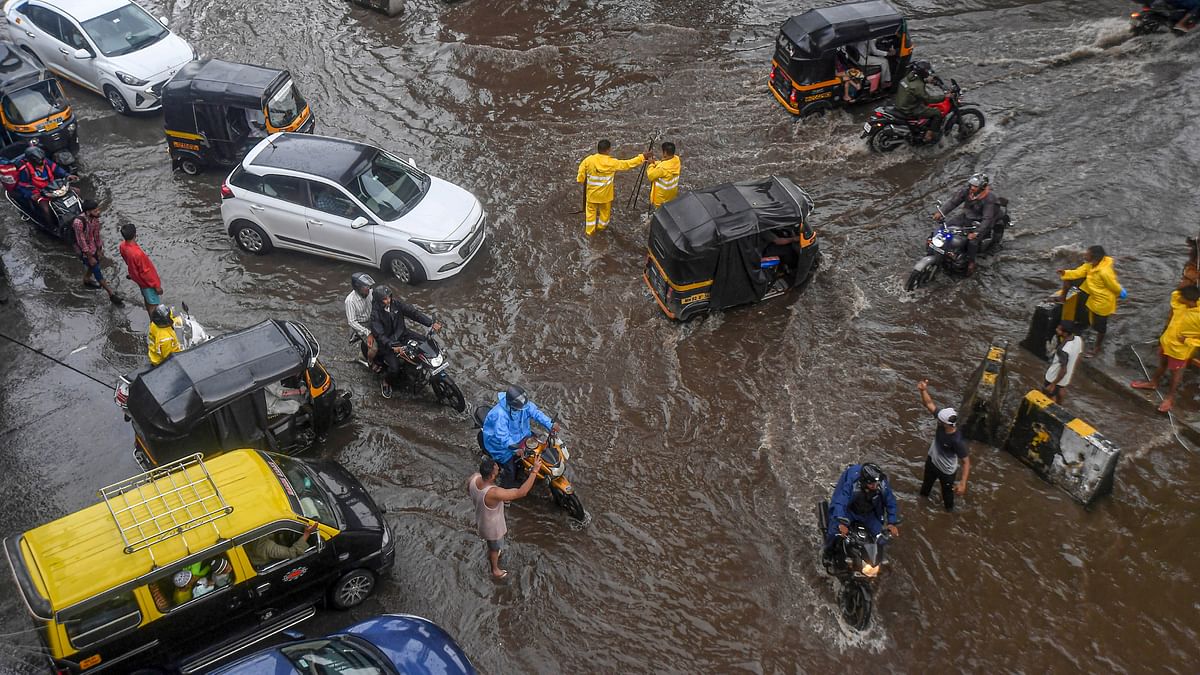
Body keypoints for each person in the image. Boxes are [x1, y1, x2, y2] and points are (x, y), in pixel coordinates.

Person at [467, 455, 544, 580]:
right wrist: (534, 471)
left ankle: (495, 553)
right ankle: (495, 570)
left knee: (493, 545)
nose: (499, 469)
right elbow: (521, 492)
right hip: (492, 528)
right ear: (492, 476)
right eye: (497, 469)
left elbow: (469, 490)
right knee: (494, 547)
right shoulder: (494, 492)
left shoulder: (473, 478)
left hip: (482, 519)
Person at [1132, 285, 1200, 413]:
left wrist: (1187, 340)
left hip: (1179, 351)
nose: (1178, 298)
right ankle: (1153, 382)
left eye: (1182, 297)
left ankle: (1170, 397)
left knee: (1176, 374)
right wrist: (1184, 291)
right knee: (1162, 364)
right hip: (1167, 343)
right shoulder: (1181, 305)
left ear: (1189, 300)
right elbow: (1175, 294)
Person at [369, 285, 441, 399]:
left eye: (389, 297)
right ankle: (386, 382)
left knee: (425, 342)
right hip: (389, 344)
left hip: (403, 334)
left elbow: (413, 313)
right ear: (378, 301)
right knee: (394, 368)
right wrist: (393, 346)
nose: (388, 301)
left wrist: (430, 323)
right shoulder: (375, 315)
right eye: (385, 299)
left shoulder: (396, 304)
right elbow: (380, 336)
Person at [481, 385, 559, 487]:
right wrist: (515, 449)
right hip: (501, 446)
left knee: (540, 449)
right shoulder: (499, 415)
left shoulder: (523, 404)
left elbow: (536, 413)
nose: (524, 408)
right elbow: (502, 437)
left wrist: (550, 424)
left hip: (523, 436)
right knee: (510, 472)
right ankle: (506, 494)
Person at [823, 462, 900, 564]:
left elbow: (891, 502)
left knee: (881, 538)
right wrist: (841, 522)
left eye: (876, 483)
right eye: (872, 484)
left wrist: (892, 523)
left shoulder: (882, 484)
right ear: (864, 482)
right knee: (834, 532)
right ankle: (828, 553)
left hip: (869, 515)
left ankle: (876, 559)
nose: (875, 486)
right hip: (850, 512)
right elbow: (841, 502)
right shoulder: (852, 484)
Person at [1058, 245, 1125, 358]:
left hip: (1102, 303)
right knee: (1091, 317)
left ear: (1093, 257)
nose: (1084, 254)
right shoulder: (1090, 265)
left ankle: (1097, 348)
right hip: (1093, 295)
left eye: (1087, 254)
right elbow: (1079, 272)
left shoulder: (1104, 272)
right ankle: (1065, 302)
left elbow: (1113, 286)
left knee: (1100, 327)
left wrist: (1120, 292)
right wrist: (1065, 273)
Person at [916, 380, 971, 511]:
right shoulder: (943, 421)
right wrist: (923, 390)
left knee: (947, 497)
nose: (937, 420)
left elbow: (966, 462)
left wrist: (963, 483)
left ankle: (949, 514)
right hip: (932, 461)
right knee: (925, 489)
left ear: (947, 424)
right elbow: (929, 404)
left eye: (940, 420)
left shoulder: (957, 441)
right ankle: (921, 506)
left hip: (946, 471)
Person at [933, 173, 1003, 275]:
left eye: (975, 186)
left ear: (982, 187)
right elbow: (953, 202)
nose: (972, 188)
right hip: (967, 216)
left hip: (983, 221)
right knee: (943, 229)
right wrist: (941, 212)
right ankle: (934, 249)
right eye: (971, 185)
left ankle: (971, 263)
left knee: (972, 241)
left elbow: (987, 219)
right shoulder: (967, 191)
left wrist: (976, 232)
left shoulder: (990, 200)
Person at [575, 139, 645, 236]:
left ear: (598, 149)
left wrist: (581, 179)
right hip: (605, 196)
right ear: (608, 150)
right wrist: (642, 157)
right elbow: (628, 164)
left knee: (590, 214)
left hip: (592, 195)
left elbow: (581, 174)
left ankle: (590, 233)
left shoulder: (588, 160)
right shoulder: (612, 162)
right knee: (604, 214)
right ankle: (601, 228)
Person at [72, 199, 124, 305]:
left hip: (93, 247)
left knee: (94, 265)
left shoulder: (95, 219)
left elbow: (96, 235)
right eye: (95, 211)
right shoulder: (78, 223)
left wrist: (99, 249)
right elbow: (81, 241)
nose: (98, 212)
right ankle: (111, 294)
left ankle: (86, 279)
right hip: (84, 251)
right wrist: (90, 257)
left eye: (98, 210)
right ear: (88, 212)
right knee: (96, 270)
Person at [15, 145, 70, 228]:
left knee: (76, 191)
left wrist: (67, 175)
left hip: (54, 187)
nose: (41, 162)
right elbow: (22, 186)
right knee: (46, 209)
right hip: (39, 192)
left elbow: (56, 169)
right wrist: (31, 195)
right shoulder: (25, 170)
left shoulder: (45, 161)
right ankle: (52, 226)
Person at [118, 223, 163, 317]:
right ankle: (154, 323)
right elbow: (146, 272)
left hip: (138, 279)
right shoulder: (138, 254)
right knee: (153, 305)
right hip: (147, 283)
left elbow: (128, 262)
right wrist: (156, 286)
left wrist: (132, 274)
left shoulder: (122, 246)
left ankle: (152, 319)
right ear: (135, 235)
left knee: (147, 299)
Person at [895, 60, 944, 142]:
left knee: (924, 104)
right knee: (937, 113)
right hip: (910, 109)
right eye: (927, 71)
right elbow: (928, 99)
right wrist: (944, 97)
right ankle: (928, 135)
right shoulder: (918, 86)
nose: (928, 73)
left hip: (901, 103)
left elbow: (917, 87)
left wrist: (928, 81)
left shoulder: (908, 77)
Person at [246, 522, 319, 568]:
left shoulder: (249, 530)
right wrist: (307, 534)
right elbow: (292, 552)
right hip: (260, 561)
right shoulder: (266, 547)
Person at [345, 272, 378, 370]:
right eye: (365, 287)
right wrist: (367, 333)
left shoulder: (370, 292)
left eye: (368, 286)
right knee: (374, 347)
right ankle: (369, 361)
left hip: (372, 318)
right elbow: (351, 321)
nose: (368, 289)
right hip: (361, 324)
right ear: (358, 288)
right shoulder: (350, 301)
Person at [1044, 322, 1084, 403]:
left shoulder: (1063, 350)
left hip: (1053, 377)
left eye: (1059, 329)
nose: (1056, 330)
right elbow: (1079, 356)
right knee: (1061, 390)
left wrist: (1053, 384)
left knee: (1049, 397)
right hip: (1065, 378)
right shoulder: (1078, 339)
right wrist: (1071, 371)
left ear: (1065, 333)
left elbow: (1063, 370)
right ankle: (1060, 405)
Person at [644, 141, 680, 209]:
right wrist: (655, 162)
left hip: (661, 199)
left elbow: (650, 176)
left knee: (659, 213)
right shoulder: (676, 160)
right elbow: (665, 163)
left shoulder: (662, 168)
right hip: (671, 196)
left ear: (665, 153)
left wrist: (651, 164)